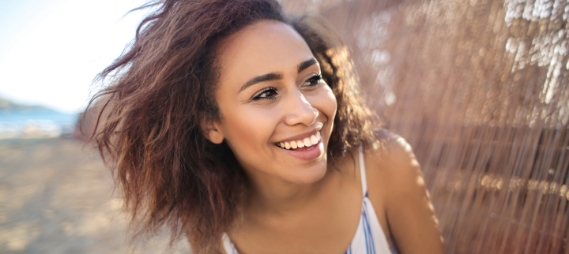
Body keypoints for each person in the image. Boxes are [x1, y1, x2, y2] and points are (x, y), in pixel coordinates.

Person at [86, 0, 444, 253]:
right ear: (211, 123)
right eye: (266, 93)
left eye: (310, 79)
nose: (305, 112)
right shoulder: (212, 226)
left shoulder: (385, 165)